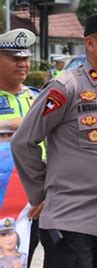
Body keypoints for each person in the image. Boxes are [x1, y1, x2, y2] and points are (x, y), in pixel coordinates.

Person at [11, 14, 97, 268]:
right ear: (90, 44)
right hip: (72, 220)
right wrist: (41, 194)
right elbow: (24, 141)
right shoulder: (66, 87)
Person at [0, 28, 41, 268]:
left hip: (34, 197)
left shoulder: (38, 98)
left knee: (23, 255)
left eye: (25, 58)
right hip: (3, 195)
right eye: (15, 58)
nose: (23, 64)